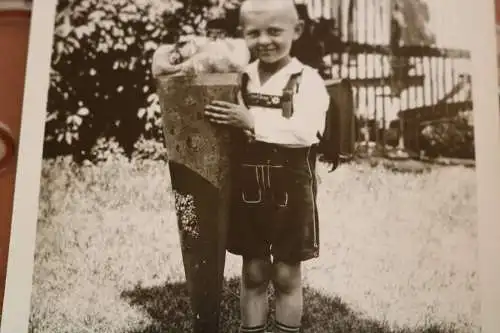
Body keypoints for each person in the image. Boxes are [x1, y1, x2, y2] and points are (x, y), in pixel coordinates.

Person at [204, 0, 330, 332]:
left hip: (290, 191)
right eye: (254, 33)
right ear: (241, 34)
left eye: (275, 31)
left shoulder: (308, 80)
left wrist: (252, 121)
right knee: (254, 271)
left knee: (287, 273)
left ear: (296, 30)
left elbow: (307, 132)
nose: (265, 41)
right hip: (249, 191)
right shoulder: (238, 78)